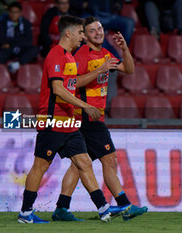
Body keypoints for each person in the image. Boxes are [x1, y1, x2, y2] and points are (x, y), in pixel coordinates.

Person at [17, 15, 131, 224]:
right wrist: (86, 106)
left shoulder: (69, 57)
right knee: (40, 166)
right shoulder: (55, 55)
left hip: (69, 121)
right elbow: (58, 90)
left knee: (84, 162)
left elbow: (71, 88)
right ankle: (25, 213)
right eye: (80, 32)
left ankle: (104, 209)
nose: (82, 37)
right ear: (68, 33)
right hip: (52, 120)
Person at [52, 16, 148, 222]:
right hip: (87, 116)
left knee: (78, 165)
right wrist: (99, 71)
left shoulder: (105, 53)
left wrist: (125, 50)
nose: (99, 32)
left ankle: (61, 208)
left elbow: (129, 70)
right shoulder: (82, 55)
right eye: (93, 30)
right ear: (84, 36)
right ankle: (124, 205)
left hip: (93, 116)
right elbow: (71, 83)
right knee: (109, 159)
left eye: (100, 28)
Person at [0, 2, 38, 73]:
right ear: (8, 13)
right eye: (11, 12)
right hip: (9, 49)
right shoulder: (3, 23)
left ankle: (16, 64)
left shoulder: (26, 23)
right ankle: (1, 75)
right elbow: (2, 39)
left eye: (16, 12)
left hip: (21, 48)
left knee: (34, 50)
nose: (13, 14)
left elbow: (28, 41)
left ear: (20, 13)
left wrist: (12, 42)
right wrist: (17, 41)